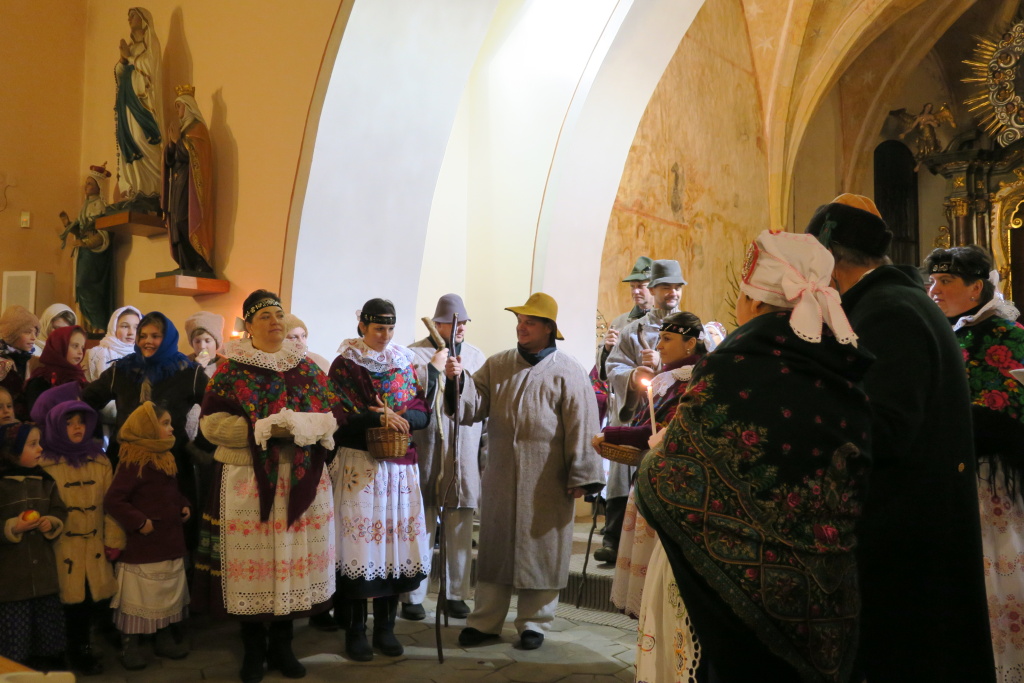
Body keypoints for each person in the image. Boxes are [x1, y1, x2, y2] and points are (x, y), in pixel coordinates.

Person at [635, 230, 873, 682]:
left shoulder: (733, 369)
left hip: (744, 605)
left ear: (756, 302)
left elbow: (665, 481)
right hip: (832, 594)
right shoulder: (845, 370)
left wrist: (654, 458)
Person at [806, 193, 996, 682]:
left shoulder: (887, 311)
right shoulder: (897, 301)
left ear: (828, 259)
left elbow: (885, 430)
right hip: (919, 529)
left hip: (907, 539)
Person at [446, 292, 604, 651]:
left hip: (548, 479)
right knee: (495, 552)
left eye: (530, 321)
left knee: (543, 550)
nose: (521, 326)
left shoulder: (568, 370)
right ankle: (485, 622)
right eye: (519, 320)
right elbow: (472, 406)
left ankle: (535, 623)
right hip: (501, 476)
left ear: (549, 328)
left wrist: (583, 475)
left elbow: (583, 425)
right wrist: (457, 381)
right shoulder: (498, 364)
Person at [194, 289, 338, 683]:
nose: (275, 321)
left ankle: (283, 646)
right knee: (256, 568)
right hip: (247, 480)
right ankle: (253, 649)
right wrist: (265, 430)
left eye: (279, 314)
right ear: (248, 326)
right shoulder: (231, 371)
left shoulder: (306, 368)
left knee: (289, 562)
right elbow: (211, 425)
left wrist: (306, 426)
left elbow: (330, 413)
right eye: (265, 316)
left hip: (299, 476)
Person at [925, 245, 1024, 680]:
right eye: (932, 280)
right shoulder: (950, 332)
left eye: (945, 281)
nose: (934, 290)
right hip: (953, 478)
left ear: (976, 288)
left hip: (996, 484)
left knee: (999, 577)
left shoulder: (1008, 334)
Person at [328, 298, 432, 660]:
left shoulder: (403, 362)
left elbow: (421, 410)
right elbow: (337, 415)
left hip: (399, 468)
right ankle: (355, 630)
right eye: (378, 329)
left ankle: (386, 629)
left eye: (390, 328)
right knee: (360, 548)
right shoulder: (345, 364)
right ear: (363, 326)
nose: (385, 336)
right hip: (360, 466)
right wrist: (375, 418)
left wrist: (403, 418)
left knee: (393, 547)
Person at [590, 311, 710, 619]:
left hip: (674, 489)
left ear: (690, 343)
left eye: (667, 338)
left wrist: (611, 433)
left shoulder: (692, 380)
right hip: (653, 478)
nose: (660, 345)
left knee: (664, 578)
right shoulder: (671, 378)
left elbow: (658, 432)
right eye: (660, 338)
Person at [398, 293, 486, 622]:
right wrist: (433, 371)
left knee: (459, 526)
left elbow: (482, 406)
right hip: (426, 452)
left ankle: (455, 594)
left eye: (464, 322)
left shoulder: (476, 356)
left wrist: (483, 456)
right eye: (453, 322)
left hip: (462, 453)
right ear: (437, 323)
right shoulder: (413, 354)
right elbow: (408, 398)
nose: (460, 327)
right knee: (420, 525)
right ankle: (413, 595)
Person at [600, 259, 686, 564]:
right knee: (622, 477)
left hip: (672, 420)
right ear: (654, 289)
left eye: (677, 287)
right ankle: (613, 539)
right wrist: (635, 374)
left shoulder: (692, 328)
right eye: (666, 287)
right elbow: (613, 367)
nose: (672, 292)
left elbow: (702, 365)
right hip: (636, 413)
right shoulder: (632, 329)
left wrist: (662, 365)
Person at [37, 395, 124, 676]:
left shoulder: (99, 460)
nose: (77, 428)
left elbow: (111, 504)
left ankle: (85, 647)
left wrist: (113, 538)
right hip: (61, 546)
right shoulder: (45, 463)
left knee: (91, 600)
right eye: (69, 423)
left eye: (81, 422)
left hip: (94, 543)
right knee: (67, 603)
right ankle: (66, 650)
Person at [105, 401, 191, 670]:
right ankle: (130, 643)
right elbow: (114, 499)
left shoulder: (165, 455)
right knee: (140, 596)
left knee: (165, 594)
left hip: (169, 540)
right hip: (145, 544)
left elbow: (171, 491)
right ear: (148, 428)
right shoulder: (134, 461)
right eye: (165, 424)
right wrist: (139, 521)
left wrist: (183, 504)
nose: (171, 428)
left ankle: (162, 637)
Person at [82, 311, 207, 484]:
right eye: (143, 336)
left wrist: (201, 446)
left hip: (172, 462)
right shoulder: (122, 370)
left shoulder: (189, 372)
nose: (147, 341)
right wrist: (91, 437)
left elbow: (214, 407)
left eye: (155, 336)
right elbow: (87, 400)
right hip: (126, 460)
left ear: (168, 338)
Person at [0, 422, 67, 670]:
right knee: (15, 640)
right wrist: (12, 527)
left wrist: (52, 521)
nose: (40, 449)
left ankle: (49, 670)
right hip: (12, 583)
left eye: (39, 443)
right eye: (32, 444)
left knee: (49, 634)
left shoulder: (45, 480)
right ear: (12, 450)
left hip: (44, 578)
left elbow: (59, 509)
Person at [115, 7, 163, 205]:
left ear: (144, 20)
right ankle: (136, 188)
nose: (129, 19)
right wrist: (123, 59)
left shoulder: (150, 44)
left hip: (143, 103)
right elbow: (120, 74)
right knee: (127, 140)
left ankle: (152, 188)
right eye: (128, 17)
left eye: (133, 15)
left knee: (140, 138)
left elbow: (150, 67)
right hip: (127, 100)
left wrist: (130, 58)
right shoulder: (131, 48)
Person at [164, 85, 214, 274]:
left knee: (185, 220)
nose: (177, 111)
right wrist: (171, 145)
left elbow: (194, 155)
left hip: (190, 184)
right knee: (175, 222)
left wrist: (178, 141)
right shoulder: (183, 129)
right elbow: (170, 159)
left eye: (179, 106)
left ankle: (199, 261)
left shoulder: (197, 129)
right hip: (178, 182)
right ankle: (185, 263)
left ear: (188, 106)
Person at [59, 165, 114, 334]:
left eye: (90, 183)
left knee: (87, 285)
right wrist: (69, 225)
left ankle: (99, 324)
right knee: (80, 286)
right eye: (86, 183)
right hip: (84, 252)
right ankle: (89, 325)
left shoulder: (101, 206)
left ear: (99, 186)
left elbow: (103, 233)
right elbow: (82, 232)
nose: (86, 186)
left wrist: (87, 243)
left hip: (95, 254)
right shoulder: (85, 206)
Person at [24, 325, 88, 415]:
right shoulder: (41, 381)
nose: (80, 352)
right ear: (59, 346)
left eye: (82, 347)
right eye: (75, 346)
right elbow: (38, 415)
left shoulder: (79, 377)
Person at [0, 306, 39, 420]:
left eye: (35, 332)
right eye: (28, 332)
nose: (33, 338)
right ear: (13, 333)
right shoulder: (2, 364)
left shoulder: (35, 362)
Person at [85, 306, 142, 382]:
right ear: (114, 327)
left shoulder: (143, 354)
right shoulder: (97, 353)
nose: (131, 332)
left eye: (136, 328)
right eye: (125, 326)